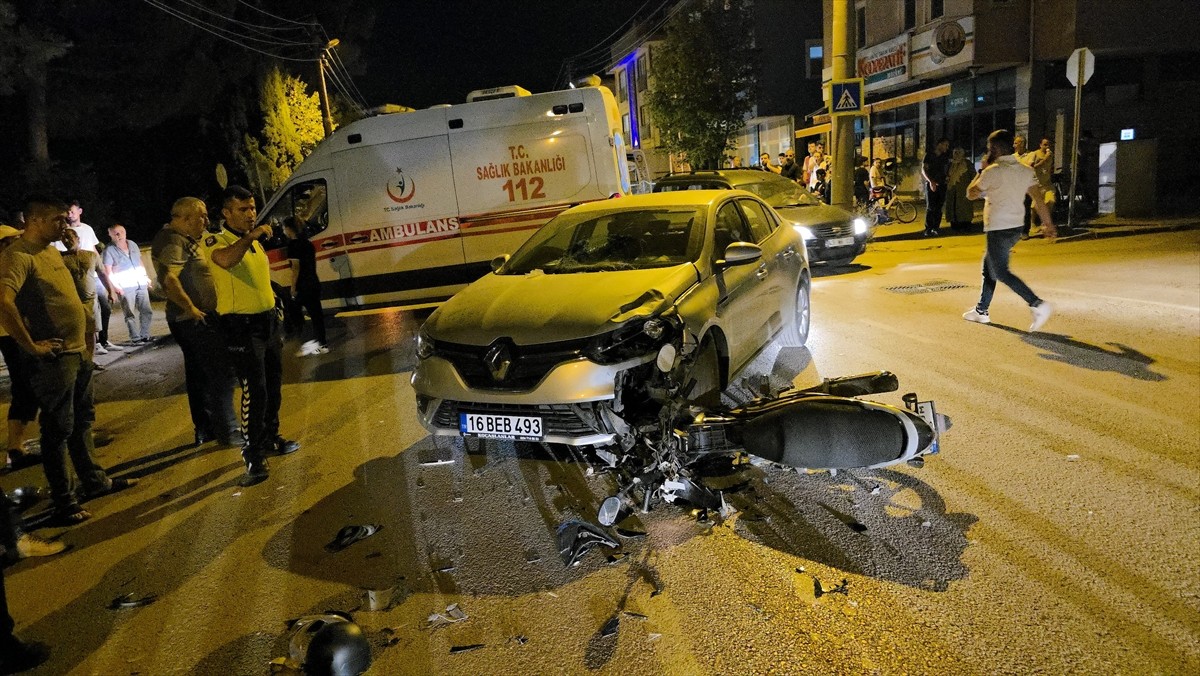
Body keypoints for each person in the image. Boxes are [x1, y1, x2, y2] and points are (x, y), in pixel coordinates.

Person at [0, 196, 136, 525]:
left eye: (65, 218)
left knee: (82, 420)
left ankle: (95, 481)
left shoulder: (50, 250)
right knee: (57, 429)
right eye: (58, 220)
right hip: (55, 358)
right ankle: (64, 501)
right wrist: (32, 346)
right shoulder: (17, 256)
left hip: (77, 351)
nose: (65, 225)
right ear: (34, 221)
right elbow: (4, 302)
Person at [206, 186, 300, 487]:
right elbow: (225, 261)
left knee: (273, 385)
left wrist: (276, 304)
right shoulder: (215, 241)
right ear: (226, 213)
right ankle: (253, 455)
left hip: (267, 323)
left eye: (252, 208)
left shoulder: (254, 242)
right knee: (254, 390)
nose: (250, 214)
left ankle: (271, 437)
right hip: (241, 327)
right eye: (243, 209)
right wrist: (251, 236)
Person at [151, 197, 241, 448]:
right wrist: (190, 308)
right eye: (201, 215)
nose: (206, 220)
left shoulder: (182, 238)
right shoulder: (173, 240)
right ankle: (228, 431)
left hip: (190, 319)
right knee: (220, 374)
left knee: (199, 375)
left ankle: (206, 428)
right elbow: (169, 279)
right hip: (193, 320)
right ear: (185, 218)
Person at [962, 129, 1057, 331]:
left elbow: (970, 194)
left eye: (989, 148)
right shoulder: (1025, 170)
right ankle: (981, 311)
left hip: (998, 228)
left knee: (1001, 272)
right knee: (989, 268)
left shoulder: (992, 172)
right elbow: (1038, 199)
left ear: (995, 149)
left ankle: (1037, 304)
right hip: (1016, 228)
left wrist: (980, 171)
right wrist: (1048, 224)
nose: (988, 151)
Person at [56, 200, 121, 355]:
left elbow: (93, 249)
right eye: (67, 212)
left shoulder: (87, 229)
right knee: (86, 315)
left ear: (80, 211)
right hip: (76, 278)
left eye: (72, 211)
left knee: (104, 307)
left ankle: (103, 340)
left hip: (92, 272)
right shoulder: (63, 232)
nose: (69, 214)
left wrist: (109, 284)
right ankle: (92, 344)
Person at [0, 224, 40, 472]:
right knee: (26, 386)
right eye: (13, 239)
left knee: (26, 386)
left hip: (11, 333)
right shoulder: (6, 266)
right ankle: (15, 447)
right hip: (11, 334)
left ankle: (17, 445)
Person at [61, 227, 117, 359]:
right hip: (73, 302)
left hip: (90, 300)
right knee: (78, 332)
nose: (67, 241)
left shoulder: (91, 256)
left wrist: (111, 291)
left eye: (70, 238)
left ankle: (90, 360)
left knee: (90, 332)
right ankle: (80, 359)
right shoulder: (61, 258)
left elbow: (102, 274)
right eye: (64, 239)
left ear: (78, 239)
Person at [282, 218, 328, 356]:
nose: (283, 231)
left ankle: (299, 342)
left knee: (292, 311)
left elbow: (296, 269)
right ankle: (322, 344)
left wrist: (293, 288)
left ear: (289, 229)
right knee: (316, 315)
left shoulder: (293, 246)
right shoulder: (308, 244)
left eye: (284, 228)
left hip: (302, 286)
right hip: (313, 282)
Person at [102, 224, 154, 344]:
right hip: (125, 286)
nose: (119, 235)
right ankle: (135, 338)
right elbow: (108, 271)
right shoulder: (109, 250)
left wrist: (145, 277)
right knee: (129, 313)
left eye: (121, 232)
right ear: (110, 235)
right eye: (115, 233)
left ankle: (145, 335)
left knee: (146, 310)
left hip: (140, 282)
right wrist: (116, 287)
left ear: (125, 232)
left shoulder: (132, 244)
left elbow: (139, 261)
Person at [921, 138, 951, 236]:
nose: (947, 148)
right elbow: (924, 170)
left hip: (942, 184)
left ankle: (936, 228)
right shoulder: (929, 155)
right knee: (931, 207)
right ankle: (928, 228)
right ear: (940, 144)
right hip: (931, 184)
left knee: (939, 207)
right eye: (945, 145)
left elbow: (947, 169)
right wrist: (931, 181)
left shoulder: (945, 157)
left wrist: (947, 177)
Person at [1027, 137, 1056, 236]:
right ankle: (1032, 224)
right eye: (1045, 144)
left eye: (1048, 144)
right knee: (1035, 206)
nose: (1047, 147)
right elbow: (1032, 167)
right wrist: (1044, 159)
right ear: (1040, 145)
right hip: (1037, 183)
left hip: (1047, 183)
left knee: (1051, 200)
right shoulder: (1035, 154)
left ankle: (1045, 222)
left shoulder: (1050, 154)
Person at [944, 146, 977, 230]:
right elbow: (945, 174)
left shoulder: (967, 163)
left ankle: (965, 224)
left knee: (964, 207)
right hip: (952, 190)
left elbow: (973, 175)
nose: (957, 154)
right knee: (952, 207)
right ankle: (954, 224)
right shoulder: (950, 164)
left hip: (964, 190)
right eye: (955, 153)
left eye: (959, 153)